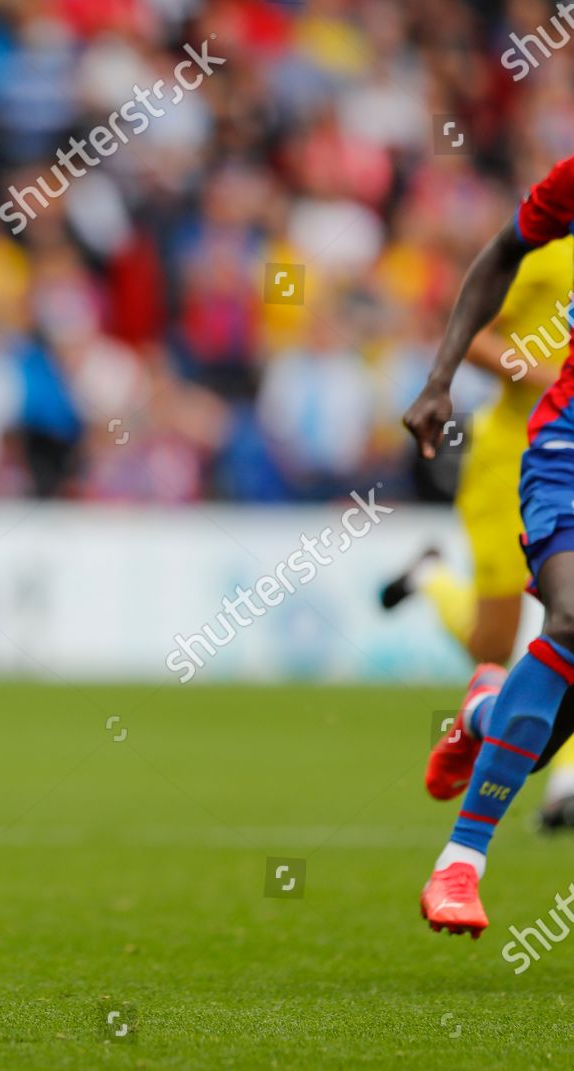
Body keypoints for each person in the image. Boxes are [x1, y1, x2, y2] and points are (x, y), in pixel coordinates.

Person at [406, 154, 574, 936]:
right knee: (567, 620)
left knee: (538, 737)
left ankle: (481, 712)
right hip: (557, 448)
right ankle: (461, 862)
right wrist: (442, 376)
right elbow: (499, 252)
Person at [382, 238, 574, 829]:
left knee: (569, 625)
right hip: (511, 463)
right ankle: (434, 579)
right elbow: (476, 334)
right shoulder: (545, 252)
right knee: (492, 644)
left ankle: (564, 781)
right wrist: (548, 372)